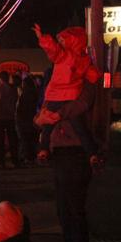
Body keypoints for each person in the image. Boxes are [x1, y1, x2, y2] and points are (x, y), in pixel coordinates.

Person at [42, 88, 97, 242]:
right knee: (64, 211)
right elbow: (42, 118)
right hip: (61, 152)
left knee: (73, 211)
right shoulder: (58, 90)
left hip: (75, 153)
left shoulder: (82, 87)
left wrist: (54, 114)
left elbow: (78, 109)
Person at [32, 24, 101, 169]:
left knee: (47, 126)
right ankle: (92, 154)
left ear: (72, 41)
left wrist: (42, 37)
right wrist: (99, 76)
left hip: (55, 96)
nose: (61, 43)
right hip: (72, 96)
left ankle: (43, 150)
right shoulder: (85, 59)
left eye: (64, 40)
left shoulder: (65, 55)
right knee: (80, 128)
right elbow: (92, 74)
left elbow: (53, 49)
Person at [0, 71, 20, 168]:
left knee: (0, 140)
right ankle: (15, 161)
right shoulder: (13, 88)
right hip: (10, 116)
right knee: (12, 139)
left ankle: (1, 162)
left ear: (0, 79)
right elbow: (16, 99)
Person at [15, 76, 40, 165]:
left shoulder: (24, 95)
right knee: (33, 140)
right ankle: (33, 157)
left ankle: (28, 158)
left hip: (25, 120)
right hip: (33, 119)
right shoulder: (36, 94)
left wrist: (19, 119)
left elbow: (20, 109)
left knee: (25, 140)